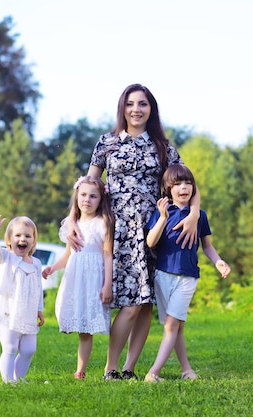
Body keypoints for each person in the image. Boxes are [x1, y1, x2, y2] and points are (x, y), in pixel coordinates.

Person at [66, 83, 201, 381]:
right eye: (130, 104)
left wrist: (193, 214)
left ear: (151, 109)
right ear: (122, 108)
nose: (136, 109)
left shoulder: (163, 147)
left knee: (145, 303)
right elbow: (87, 186)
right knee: (128, 303)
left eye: (142, 104)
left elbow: (189, 182)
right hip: (119, 232)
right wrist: (72, 219)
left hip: (155, 229)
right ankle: (110, 367)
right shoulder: (107, 143)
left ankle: (129, 368)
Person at [143, 164, 230, 383]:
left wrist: (218, 261)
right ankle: (186, 370)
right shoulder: (162, 213)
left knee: (172, 325)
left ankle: (153, 372)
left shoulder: (200, 216)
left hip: (188, 276)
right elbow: (150, 242)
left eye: (188, 183)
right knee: (176, 326)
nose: (184, 188)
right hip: (163, 276)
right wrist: (162, 217)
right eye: (178, 184)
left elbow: (207, 246)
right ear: (168, 189)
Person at [42, 176, 114, 380]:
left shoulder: (103, 223)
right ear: (76, 196)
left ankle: (80, 370)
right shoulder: (71, 224)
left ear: (101, 199)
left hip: (93, 280)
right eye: (83, 195)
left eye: (93, 196)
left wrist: (107, 285)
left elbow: (108, 254)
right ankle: (69, 325)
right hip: (74, 277)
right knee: (69, 315)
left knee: (86, 329)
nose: (87, 200)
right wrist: (53, 268)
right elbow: (68, 254)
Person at [0, 214, 45, 384]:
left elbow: (38, 288)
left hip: (27, 314)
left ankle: (19, 378)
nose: (23, 239)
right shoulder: (7, 258)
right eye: (18, 235)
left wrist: (39, 309)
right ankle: (8, 382)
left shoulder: (36, 263)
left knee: (28, 349)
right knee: (10, 348)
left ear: (33, 241)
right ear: (9, 240)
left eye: (28, 236)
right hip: (7, 312)